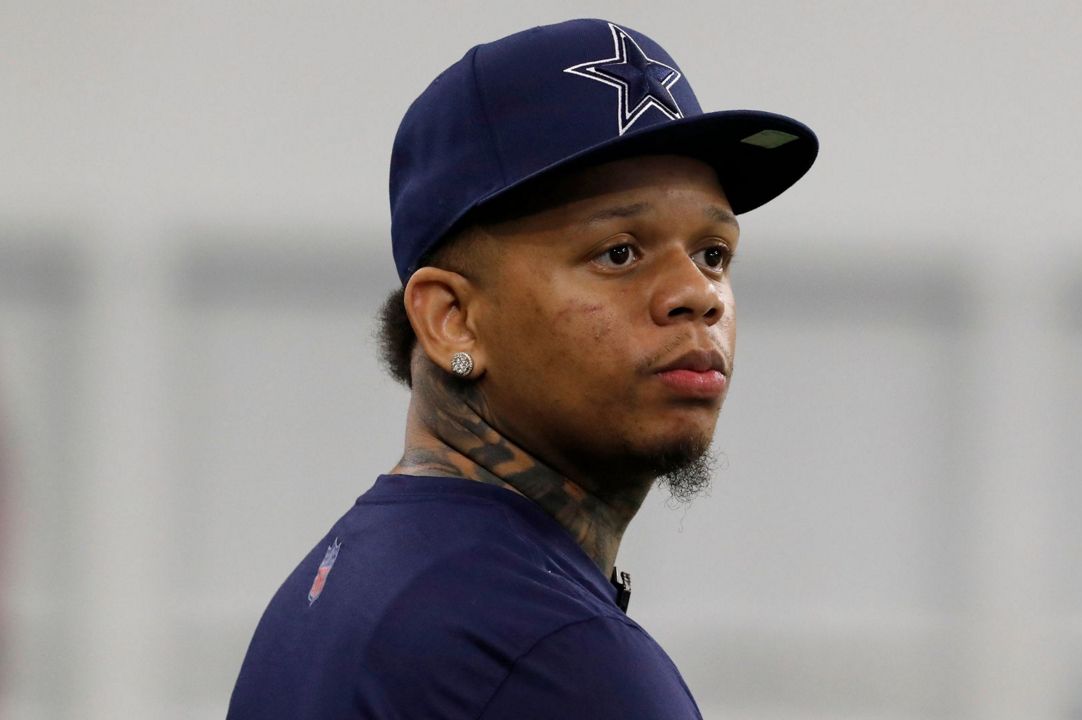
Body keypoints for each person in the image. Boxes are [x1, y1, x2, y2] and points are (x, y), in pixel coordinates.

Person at [227, 18, 817, 719]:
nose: (697, 294)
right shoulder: (555, 656)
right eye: (620, 252)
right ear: (453, 319)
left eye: (713, 253)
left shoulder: (346, 579)